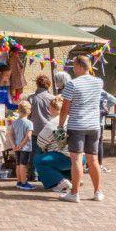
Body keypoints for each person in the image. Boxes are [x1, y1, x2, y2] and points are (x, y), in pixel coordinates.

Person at [57, 56, 104, 203]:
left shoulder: (72, 84)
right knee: (93, 160)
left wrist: (60, 125)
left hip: (77, 125)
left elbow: (65, 108)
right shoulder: (99, 82)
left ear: (78, 66)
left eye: (74, 66)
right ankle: (98, 192)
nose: (73, 69)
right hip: (94, 125)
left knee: (76, 160)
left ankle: (75, 193)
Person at [32, 97, 75, 192]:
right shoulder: (71, 119)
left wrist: (46, 147)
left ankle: (60, 181)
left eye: (49, 107)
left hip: (66, 158)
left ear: (52, 108)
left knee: (38, 160)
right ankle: (71, 178)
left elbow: (40, 142)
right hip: (80, 156)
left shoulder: (52, 124)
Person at [24, 75, 55, 182]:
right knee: (48, 153)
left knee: (34, 153)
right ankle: (44, 174)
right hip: (50, 131)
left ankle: (33, 174)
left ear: (37, 84)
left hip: (35, 130)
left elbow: (27, 115)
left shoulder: (31, 98)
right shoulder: (52, 98)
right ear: (48, 85)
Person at [10, 96, 36, 190]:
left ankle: (19, 181)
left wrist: (14, 145)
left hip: (16, 146)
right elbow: (28, 136)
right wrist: (22, 145)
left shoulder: (14, 122)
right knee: (23, 165)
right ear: (29, 111)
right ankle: (24, 182)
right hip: (25, 147)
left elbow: (10, 134)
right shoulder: (29, 123)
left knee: (18, 165)